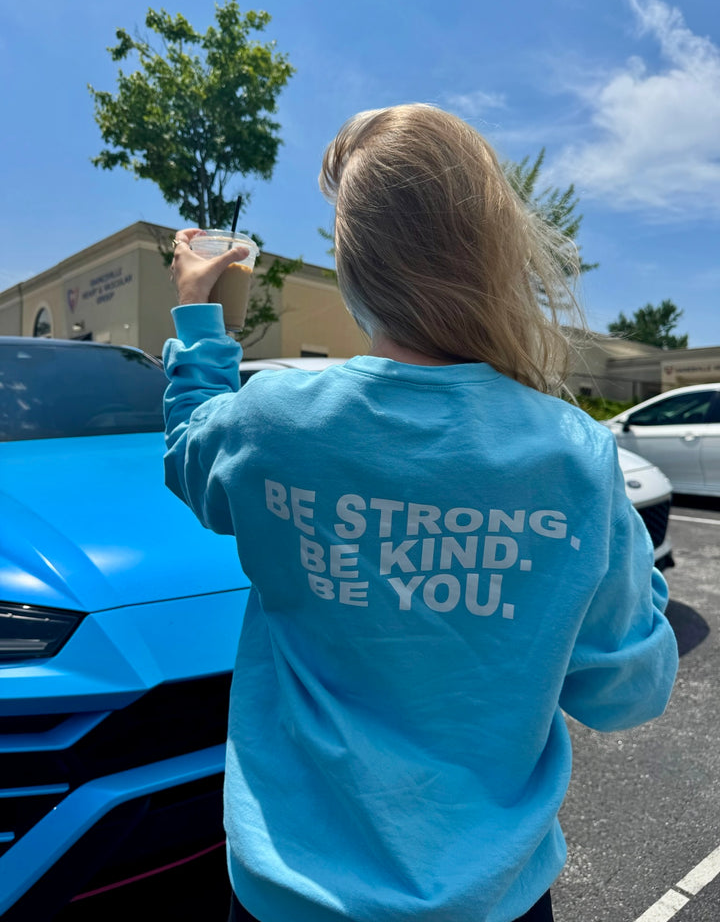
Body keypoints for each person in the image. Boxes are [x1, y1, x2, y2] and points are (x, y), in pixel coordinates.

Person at [162, 104, 678, 922]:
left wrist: (201, 314)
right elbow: (628, 691)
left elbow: (191, 451)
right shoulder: (572, 454)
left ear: (352, 257)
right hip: (492, 899)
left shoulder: (275, 423)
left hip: (290, 897)